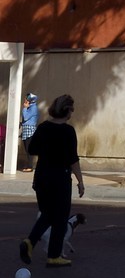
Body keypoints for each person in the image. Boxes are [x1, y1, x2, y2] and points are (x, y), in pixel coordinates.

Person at [19, 94, 85, 268]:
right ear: (67, 110)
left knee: (47, 213)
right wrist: (80, 181)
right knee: (60, 217)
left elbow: (32, 149)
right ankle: (53, 255)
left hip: (42, 177)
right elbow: (73, 159)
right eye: (72, 109)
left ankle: (30, 242)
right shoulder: (68, 131)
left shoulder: (43, 128)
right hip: (60, 179)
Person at [18, 92, 38, 172]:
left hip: (30, 130)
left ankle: (30, 166)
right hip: (26, 129)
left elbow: (26, 117)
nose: (25, 99)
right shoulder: (30, 107)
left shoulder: (33, 108)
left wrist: (25, 108)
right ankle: (28, 165)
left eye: (27, 98)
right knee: (27, 149)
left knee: (29, 149)